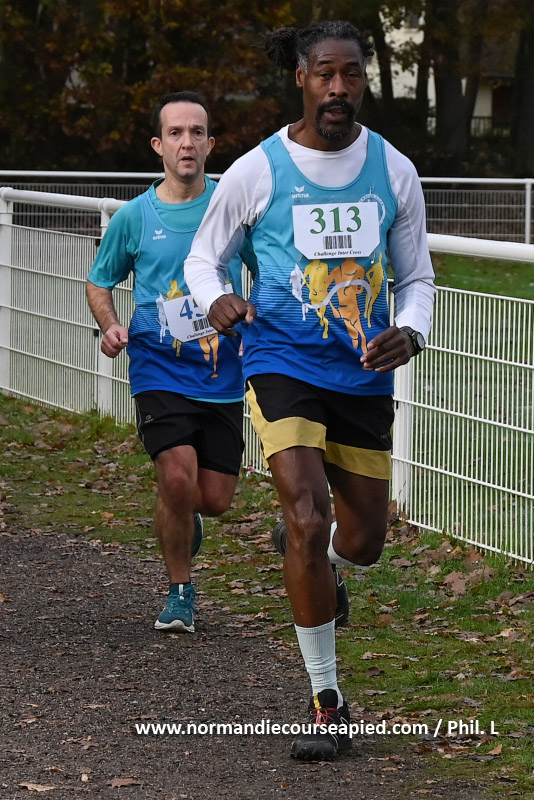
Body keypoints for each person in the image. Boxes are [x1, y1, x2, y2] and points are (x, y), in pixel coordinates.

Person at [184, 21, 435, 761]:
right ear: (301, 78)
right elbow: (203, 259)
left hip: (363, 369)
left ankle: (317, 554)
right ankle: (328, 703)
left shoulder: (393, 170)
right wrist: (217, 300)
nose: (338, 88)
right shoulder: (258, 171)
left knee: (362, 542)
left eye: (350, 74)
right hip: (280, 360)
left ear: (363, 80)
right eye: (324, 74)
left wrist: (412, 332)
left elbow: (418, 277)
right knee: (305, 511)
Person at [86, 91, 253, 634]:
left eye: (197, 132)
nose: (187, 143)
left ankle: (183, 517)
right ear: (158, 146)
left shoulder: (233, 207)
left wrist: (255, 319)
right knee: (177, 477)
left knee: (215, 500)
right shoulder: (135, 217)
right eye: (176, 133)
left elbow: (269, 269)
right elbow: (99, 281)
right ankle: (181, 591)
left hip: (222, 372)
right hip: (157, 367)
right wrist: (111, 324)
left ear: (211, 143)